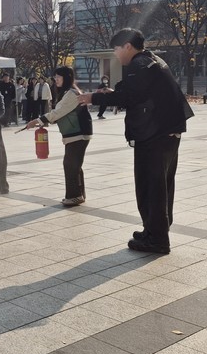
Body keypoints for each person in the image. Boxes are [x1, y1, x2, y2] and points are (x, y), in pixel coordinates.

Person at [78, 28, 194, 254]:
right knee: (162, 186)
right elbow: (136, 91)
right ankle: (154, 230)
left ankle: (157, 240)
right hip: (168, 132)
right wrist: (111, 93)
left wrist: (93, 97)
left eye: (116, 49)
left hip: (154, 135)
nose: (115, 54)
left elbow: (127, 97)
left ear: (127, 46)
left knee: (150, 187)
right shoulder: (152, 60)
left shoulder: (138, 65)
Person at [26, 67, 93, 206]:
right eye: (55, 77)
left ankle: (74, 196)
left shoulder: (71, 93)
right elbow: (61, 113)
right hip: (75, 133)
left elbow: (57, 112)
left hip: (78, 133)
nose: (55, 79)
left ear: (67, 77)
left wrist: (37, 121)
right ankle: (79, 195)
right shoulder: (67, 92)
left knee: (70, 164)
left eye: (59, 77)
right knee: (74, 165)